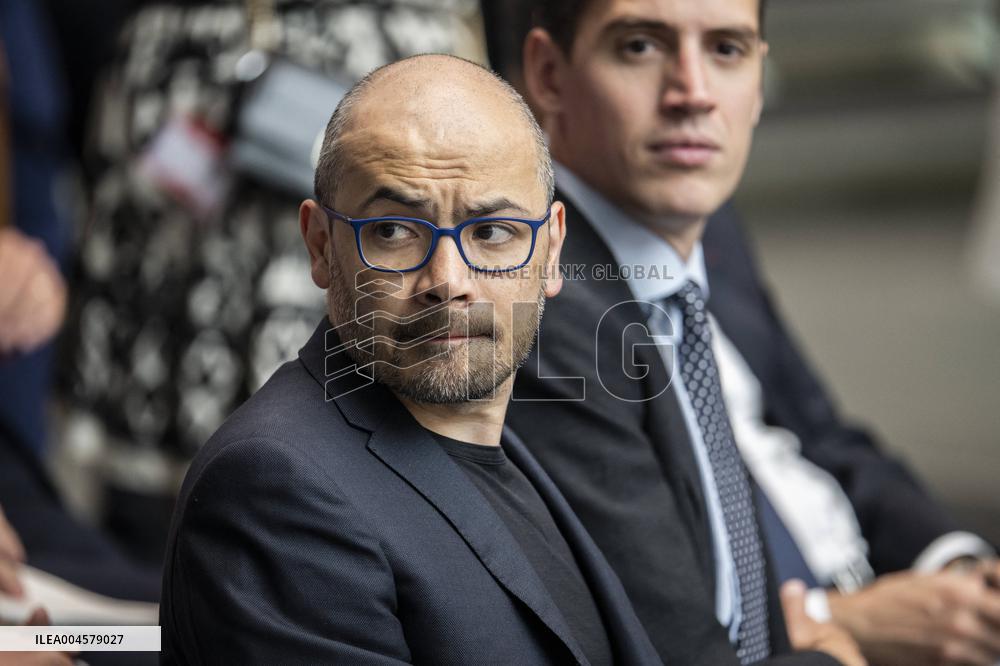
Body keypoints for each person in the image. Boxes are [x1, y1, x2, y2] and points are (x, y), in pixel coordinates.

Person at [505, 0, 1000, 664]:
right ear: (548, 74)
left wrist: (957, 572)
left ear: (760, 80)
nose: (693, 94)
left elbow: (822, 434)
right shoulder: (536, 299)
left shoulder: (705, 218)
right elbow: (669, 635)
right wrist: (841, 630)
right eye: (640, 47)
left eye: (727, 50)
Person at [160, 53, 662, 665]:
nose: (448, 280)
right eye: (394, 232)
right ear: (321, 246)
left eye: (494, 232)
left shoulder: (501, 445)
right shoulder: (272, 487)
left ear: (552, 250)